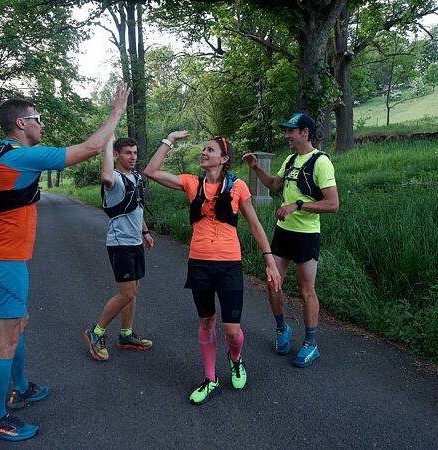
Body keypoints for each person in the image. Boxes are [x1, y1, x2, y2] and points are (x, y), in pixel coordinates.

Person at [0, 84, 131, 441]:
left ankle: (21, 387)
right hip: (2, 260)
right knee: (4, 338)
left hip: (1, 257)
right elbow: (87, 149)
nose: (42, 125)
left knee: (17, 323)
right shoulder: (20, 157)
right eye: (37, 119)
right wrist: (115, 113)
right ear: (21, 124)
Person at [144, 131, 281, 405]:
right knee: (206, 321)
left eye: (209, 150)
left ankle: (235, 359)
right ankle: (210, 378)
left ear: (224, 158)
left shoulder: (238, 186)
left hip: (229, 264)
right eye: (203, 149)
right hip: (199, 264)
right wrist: (169, 140)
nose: (203, 153)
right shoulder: (192, 183)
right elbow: (151, 171)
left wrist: (270, 261)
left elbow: (254, 224)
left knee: (232, 330)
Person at [242, 112, 339, 368]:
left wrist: (298, 205)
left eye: (291, 131)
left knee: (306, 290)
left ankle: (310, 343)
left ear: (304, 133)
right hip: (283, 231)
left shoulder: (321, 162)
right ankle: (282, 329)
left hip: (306, 235)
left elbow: (332, 204)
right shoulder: (292, 159)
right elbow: (275, 185)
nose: (287, 135)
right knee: (273, 282)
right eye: (286, 131)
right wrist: (255, 167)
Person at [83, 137, 154, 360]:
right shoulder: (114, 179)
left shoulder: (136, 177)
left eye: (135, 152)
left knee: (133, 290)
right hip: (119, 243)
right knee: (128, 292)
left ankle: (125, 334)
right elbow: (105, 176)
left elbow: (136, 208)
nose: (133, 157)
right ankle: (96, 332)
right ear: (116, 155)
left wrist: (145, 232)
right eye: (127, 153)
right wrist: (107, 143)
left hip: (135, 242)